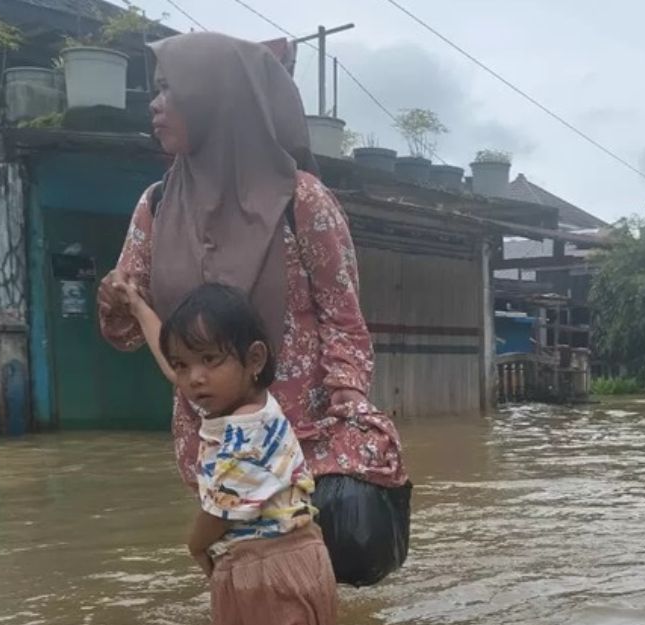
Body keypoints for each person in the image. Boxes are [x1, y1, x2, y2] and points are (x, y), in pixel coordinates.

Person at [97, 32, 410, 587]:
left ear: (215, 98)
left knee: (317, 587)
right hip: (213, 442)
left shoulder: (302, 200)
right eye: (156, 91)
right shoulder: (156, 206)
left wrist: (348, 406)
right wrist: (112, 303)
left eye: (170, 89)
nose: (155, 104)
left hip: (303, 441)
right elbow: (127, 328)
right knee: (244, 587)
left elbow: (343, 318)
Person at [125, 282, 337, 625]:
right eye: (183, 365)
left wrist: (194, 545)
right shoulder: (234, 399)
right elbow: (173, 361)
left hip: (277, 568)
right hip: (247, 565)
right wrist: (139, 308)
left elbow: (221, 512)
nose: (194, 378)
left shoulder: (248, 428)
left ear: (254, 359)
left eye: (209, 359)